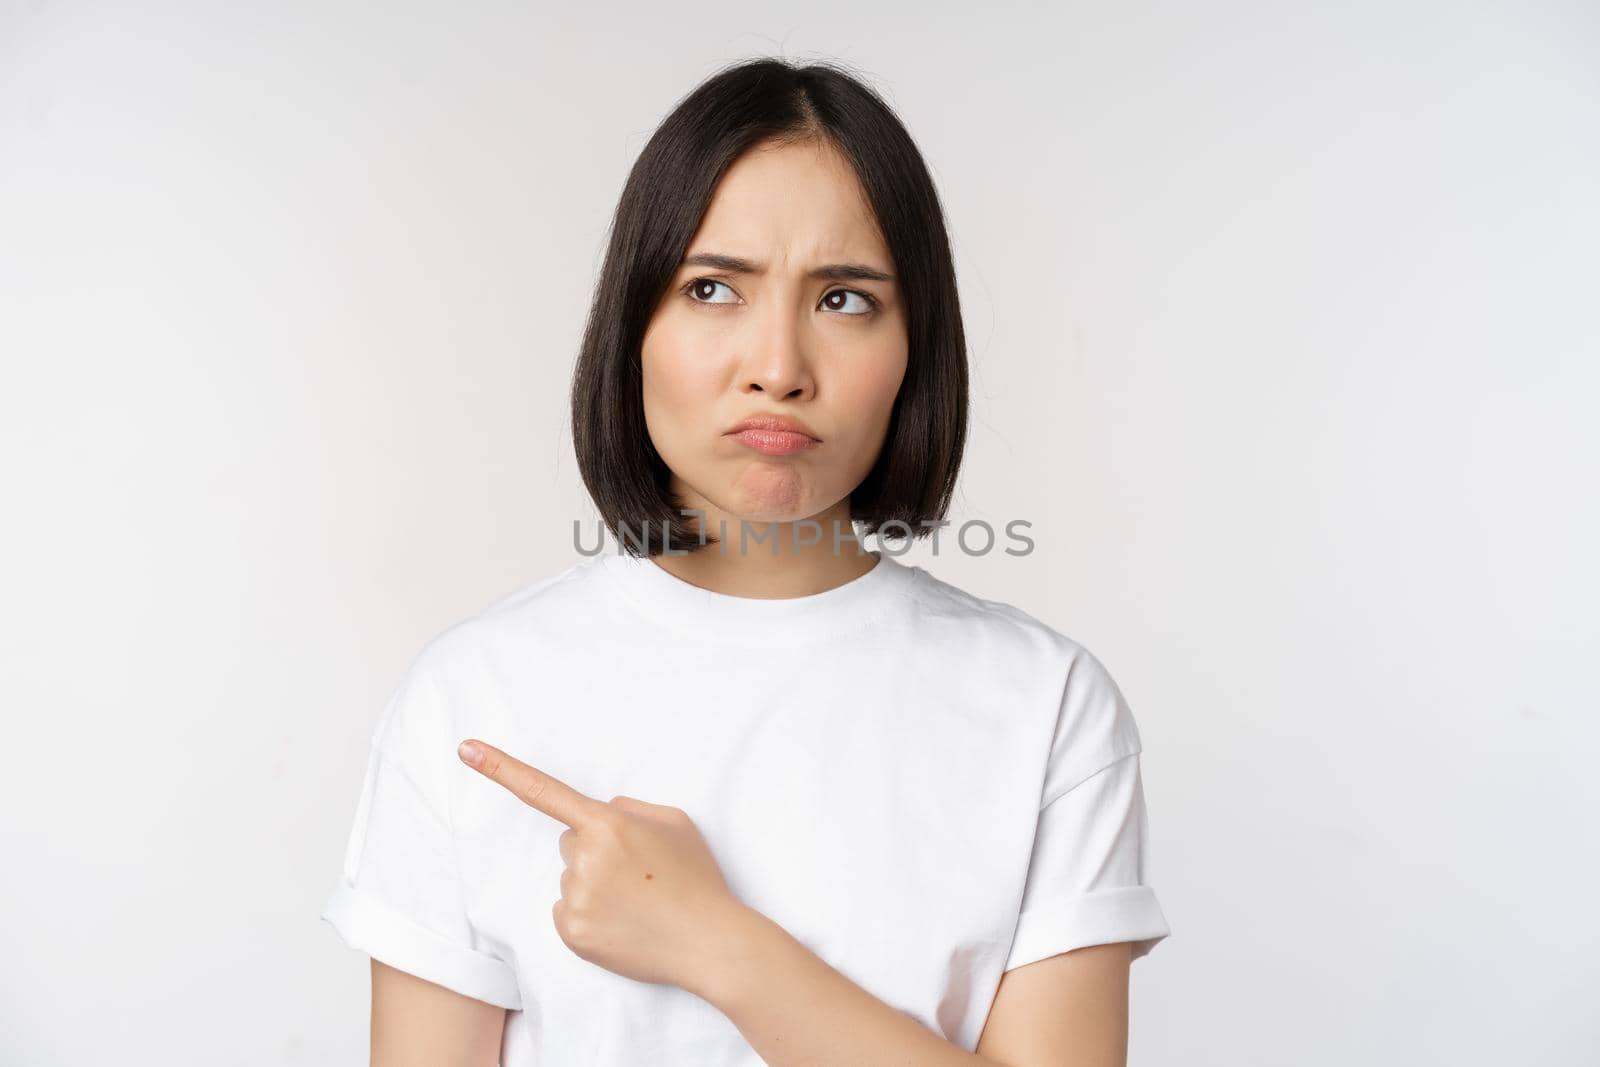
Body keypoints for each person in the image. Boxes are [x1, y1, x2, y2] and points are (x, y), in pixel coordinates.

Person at [320, 55, 1170, 1067]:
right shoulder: (475, 699)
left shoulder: (1046, 707)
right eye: (712, 287)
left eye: (844, 299)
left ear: (916, 348)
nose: (777, 366)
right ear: (633, 324)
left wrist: (712, 942)